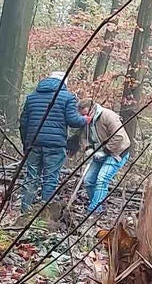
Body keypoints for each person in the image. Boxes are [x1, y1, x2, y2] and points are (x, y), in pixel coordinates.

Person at [19, 71, 90, 212]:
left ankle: (24, 212)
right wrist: (85, 120)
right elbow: (73, 121)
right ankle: (44, 215)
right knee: (50, 179)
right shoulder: (67, 97)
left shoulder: (32, 97)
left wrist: (26, 144)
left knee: (31, 178)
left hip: (34, 144)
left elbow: (23, 123)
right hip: (55, 146)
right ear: (64, 83)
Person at [80, 103, 131, 214]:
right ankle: (99, 207)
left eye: (85, 114)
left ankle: (93, 211)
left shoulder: (108, 116)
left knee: (102, 179)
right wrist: (88, 148)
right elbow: (84, 136)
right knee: (88, 180)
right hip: (99, 152)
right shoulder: (87, 121)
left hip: (117, 152)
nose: (84, 118)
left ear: (91, 109)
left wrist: (105, 151)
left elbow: (119, 136)